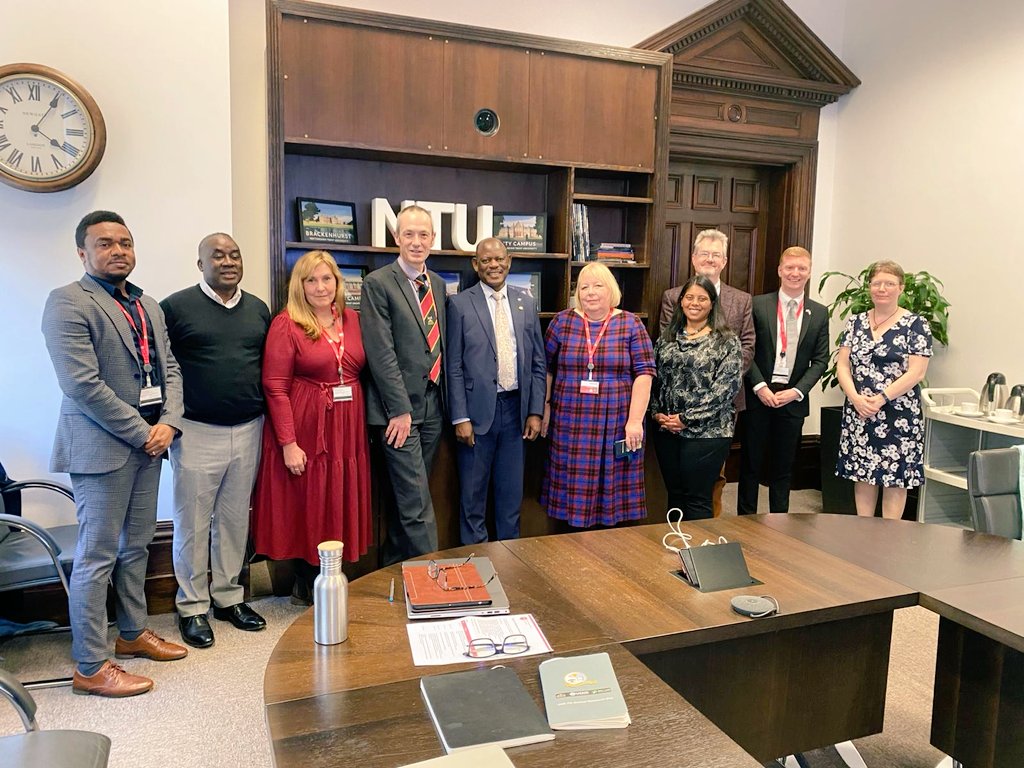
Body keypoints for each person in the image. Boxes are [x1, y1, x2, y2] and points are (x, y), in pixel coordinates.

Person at [41, 210, 187, 697]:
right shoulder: (66, 302)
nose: (117, 250)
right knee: (96, 556)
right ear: (82, 252)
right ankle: (89, 664)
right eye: (104, 244)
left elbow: (168, 367)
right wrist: (141, 431)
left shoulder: (147, 303)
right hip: (103, 449)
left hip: (151, 444)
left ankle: (130, 634)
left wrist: (168, 422)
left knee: (137, 546)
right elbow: (83, 385)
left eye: (124, 242)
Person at [161, 233, 271, 648]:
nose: (227, 261)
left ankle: (228, 598)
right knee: (192, 523)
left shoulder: (258, 309)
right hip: (195, 431)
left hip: (248, 428)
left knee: (233, 520)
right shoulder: (175, 307)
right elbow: (162, 366)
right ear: (200, 263)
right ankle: (192, 606)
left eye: (234, 254)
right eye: (217, 256)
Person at [250, 251, 371, 601]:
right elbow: (274, 386)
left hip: (347, 426)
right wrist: (288, 441)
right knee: (311, 498)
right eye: (311, 280)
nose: (320, 287)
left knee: (337, 496)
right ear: (299, 286)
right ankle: (309, 581)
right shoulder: (286, 323)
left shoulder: (352, 319)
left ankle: (333, 575)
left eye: (327, 279)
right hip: (306, 424)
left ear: (338, 283)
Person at [446, 238, 546, 544]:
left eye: (499, 259)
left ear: (509, 261)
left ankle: (509, 568)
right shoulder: (460, 304)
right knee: (473, 501)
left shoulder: (526, 303)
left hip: (516, 413)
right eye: (486, 260)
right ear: (476, 265)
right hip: (476, 416)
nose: (494, 265)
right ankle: (476, 567)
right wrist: (459, 416)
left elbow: (538, 363)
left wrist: (535, 410)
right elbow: (454, 367)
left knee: (510, 498)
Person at [361, 206, 447, 564]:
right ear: (396, 238)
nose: (416, 241)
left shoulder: (437, 285)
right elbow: (381, 354)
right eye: (408, 234)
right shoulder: (378, 283)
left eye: (423, 235)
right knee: (416, 505)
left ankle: (391, 570)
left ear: (432, 239)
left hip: (433, 408)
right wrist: (399, 410)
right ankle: (437, 583)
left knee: (413, 498)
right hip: (400, 414)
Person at [540, 262, 655, 527]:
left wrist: (635, 420)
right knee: (572, 492)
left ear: (611, 290)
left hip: (616, 423)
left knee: (612, 491)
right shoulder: (562, 321)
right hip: (570, 422)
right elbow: (545, 369)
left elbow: (645, 374)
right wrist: (544, 406)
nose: (590, 292)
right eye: (584, 287)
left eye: (597, 286)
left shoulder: (630, 323)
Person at [659, 229, 754, 516]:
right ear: (693, 258)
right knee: (677, 491)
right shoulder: (672, 297)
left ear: (724, 261)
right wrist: (661, 413)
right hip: (669, 420)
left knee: (711, 484)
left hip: (715, 417)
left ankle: (706, 549)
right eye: (704, 254)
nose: (710, 260)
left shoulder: (741, 300)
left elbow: (747, 346)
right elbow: (663, 361)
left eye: (716, 255)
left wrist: (729, 372)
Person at [835, 260, 932, 519]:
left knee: (894, 479)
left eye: (889, 283)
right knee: (862, 474)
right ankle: (864, 533)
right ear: (869, 287)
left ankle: (890, 539)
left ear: (901, 288)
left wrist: (880, 398)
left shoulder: (916, 324)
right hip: (859, 410)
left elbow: (917, 371)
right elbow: (842, 366)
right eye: (877, 283)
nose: (882, 288)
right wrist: (856, 398)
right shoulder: (855, 322)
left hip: (897, 413)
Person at [737, 246, 829, 515]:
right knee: (750, 465)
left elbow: (821, 360)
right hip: (759, 394)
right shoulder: (757, 304)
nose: (795, 273)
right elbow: (746, 350)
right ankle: (745, 520)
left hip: (793, 400)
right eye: (790, 267)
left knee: (783, 467)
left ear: (809, 272)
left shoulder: (819, 313)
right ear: (780, 270)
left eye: (802, 268)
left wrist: (797, 391)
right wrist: (759, 385)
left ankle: (780, 521)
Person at [650, 275, 742, 519]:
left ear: (712, 303)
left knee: (698, 498)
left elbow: (725, 389)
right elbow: (655, 378)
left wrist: (686, 419)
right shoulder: (667, 338)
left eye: (702, 298)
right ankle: (676, 551)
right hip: (667, 431)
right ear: (681, 302)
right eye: (689, 297)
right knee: (675, 495)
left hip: (707, 434)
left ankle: (699, 554)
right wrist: (657, 412)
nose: (695, 303)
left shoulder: (726, 341)